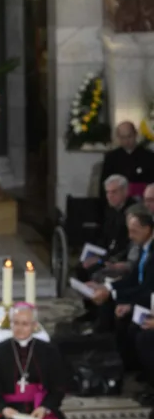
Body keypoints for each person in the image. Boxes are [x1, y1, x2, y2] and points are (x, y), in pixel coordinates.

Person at [74, 174, 136, 325]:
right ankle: (91, 310)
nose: (110, 196)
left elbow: (127, 245)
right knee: (81, 267)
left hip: (121, 259)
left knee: (96, 271)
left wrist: (103, 260)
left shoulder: (131, 212)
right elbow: (104, 237)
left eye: (114, 192)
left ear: (125, 192)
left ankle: (101, 317)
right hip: (108, 253)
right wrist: (94, 254)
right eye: (108, 192)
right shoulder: (110, 211)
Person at [91, 211, 154, 331]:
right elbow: (133, 277)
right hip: (139, 292)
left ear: (147, 229)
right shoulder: (144, 248)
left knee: (112, 300)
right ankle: (101, 334)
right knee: (105, 298)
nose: (130, 236)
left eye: (134, 231)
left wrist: (112, 293)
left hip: (148, 298)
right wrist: (108, 287)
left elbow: (146, 287)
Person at [99, 122, 154, 199]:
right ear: (118, 137)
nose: (126, 141)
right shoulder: (111, 158)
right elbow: (103, 184)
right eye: (123, 137)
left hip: (142, 200)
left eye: (129, 136)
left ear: (135, 134)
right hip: (116, 200)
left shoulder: (149, 156)